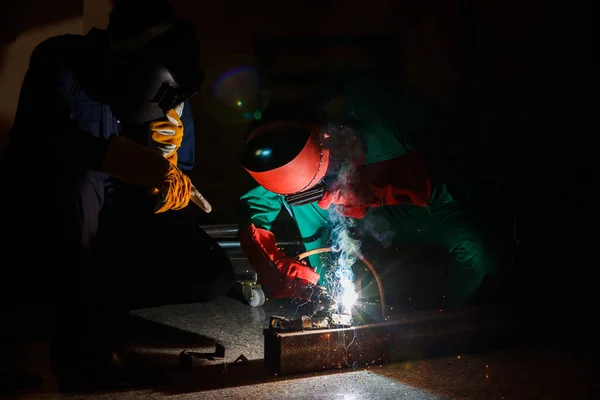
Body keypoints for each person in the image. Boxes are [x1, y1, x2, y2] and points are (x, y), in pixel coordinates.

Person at [0, 0, 235, 384]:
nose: (168, 103)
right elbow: (44, 146)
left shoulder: (166, 90)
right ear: (127, 57)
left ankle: (100, 307)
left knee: (210, 272)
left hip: (117, 231)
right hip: (53, 232)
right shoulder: (59, 59)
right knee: (79, 186)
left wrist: (169, 165)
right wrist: (126, 160)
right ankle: (75, 333)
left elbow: (177, 180)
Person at [237, 70, 517, 311]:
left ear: (329, 138)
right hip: (359, 205)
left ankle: (454, 319)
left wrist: (373, 189)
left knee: (479, 250)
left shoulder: (385, 114)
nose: (320, 198)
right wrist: (267, 259)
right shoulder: (282, 137)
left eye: (320, 181)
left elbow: (460, 174)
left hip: (427, 200)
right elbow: (257, 206)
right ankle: (332, 294)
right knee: (309, 204)